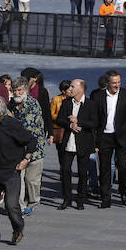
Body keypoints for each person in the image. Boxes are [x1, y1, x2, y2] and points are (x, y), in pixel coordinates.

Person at [0, 95, 37, 248]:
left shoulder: (12, 124)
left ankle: (18, 227)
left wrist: (26, 159)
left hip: (10, 171)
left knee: (11, 205)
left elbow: (32, 140)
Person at [91, 70, 126, 207]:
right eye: (114, 83)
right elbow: (94, 119)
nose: (117, 85)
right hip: (104, 136)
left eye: (119, 82)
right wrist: (94, 140)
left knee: (124, 166)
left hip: (122, 137)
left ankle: (122, 191)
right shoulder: (98, 96)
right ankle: (106, 198)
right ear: (107, 83)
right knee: (105, 168)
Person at [55, 79, 99, 209]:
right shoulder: (66, 102)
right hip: (68, 142)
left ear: (81, 89)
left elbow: (95, 123)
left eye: (73, 87)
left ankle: (80, 200)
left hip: (84, 142)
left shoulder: (91, 104)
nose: (70, 89)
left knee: (82, 172)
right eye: (70, 87)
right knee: (65, 170)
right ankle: (67, 199)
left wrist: (79, 121)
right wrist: (70, 125)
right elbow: (59, 119)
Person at [9, 77, 47, 216]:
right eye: (15, 90)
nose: (17, 93)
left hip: (35, 148)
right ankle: (20, 206)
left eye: (20, 90)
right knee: (18, 178)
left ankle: (33, 202)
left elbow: (27, 127)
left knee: (32, 180)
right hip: (18, 148)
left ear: (25, 90)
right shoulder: (12, 104)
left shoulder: (32, 104)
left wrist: (12, 123)